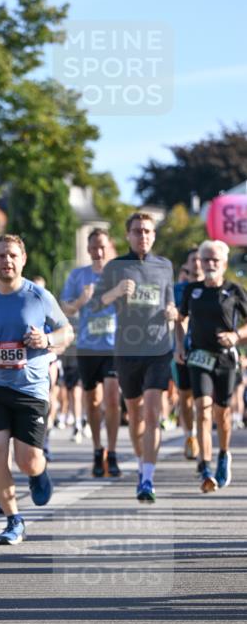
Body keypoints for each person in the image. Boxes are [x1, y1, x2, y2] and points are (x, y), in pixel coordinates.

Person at [0, 234, 73, 545]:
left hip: (31, 389)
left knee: (27, 459)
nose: (7, 260)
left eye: (12, 255)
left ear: (23, 259)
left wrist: (47, 340)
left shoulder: (39, 297)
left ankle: (38, 473)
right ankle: (13, 519)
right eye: (1, 255)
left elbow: (66, 331)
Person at [93, 212, 176, 503]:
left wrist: (173, 312)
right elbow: (96, 303)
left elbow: (170, 302)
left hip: (158, 349)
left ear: (154, 235)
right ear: (128, 235)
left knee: (153, 413)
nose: (143, 236)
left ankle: (148, 479)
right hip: (127, 352)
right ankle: (143, 465)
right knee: (136, 415)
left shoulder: (164, 266)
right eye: (138, 231)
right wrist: (115, 291)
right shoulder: (116, 267)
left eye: (148, 231)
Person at [176, 239, 247, 492]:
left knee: (222, 414)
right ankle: (205, 466)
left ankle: (224, 455)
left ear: (224, 263)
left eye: (215, 260)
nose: (210, 264)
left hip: (225, 358)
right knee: (203, 410)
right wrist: (180, 345)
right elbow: (180, 319)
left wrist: (236, 336)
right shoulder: (191, 290)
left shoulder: (234, 291)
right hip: (198, 357)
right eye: (206, 259)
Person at [61, 228, 121, 478]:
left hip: (114, 346)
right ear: (87, 249)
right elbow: (65, 309)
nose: (98, 251)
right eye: (94, 247)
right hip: (87, 347)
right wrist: (81, 301)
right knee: (93, 403)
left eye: (102, 247)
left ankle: (114, 452)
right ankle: (98, 450)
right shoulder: (78, 276)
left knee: (112, 399)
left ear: (109, 247)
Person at [173, 247, 203, 461]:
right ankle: (189, 436)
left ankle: (203, 440)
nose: (198, 263)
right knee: (185, 396)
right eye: (194, 259)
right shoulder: (179, 289)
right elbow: (177, 319)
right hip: (185, 348)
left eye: (202, 259)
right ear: (187, 265)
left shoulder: (217, 287)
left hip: (208, 350)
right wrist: (179, 345)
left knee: (203, 398)